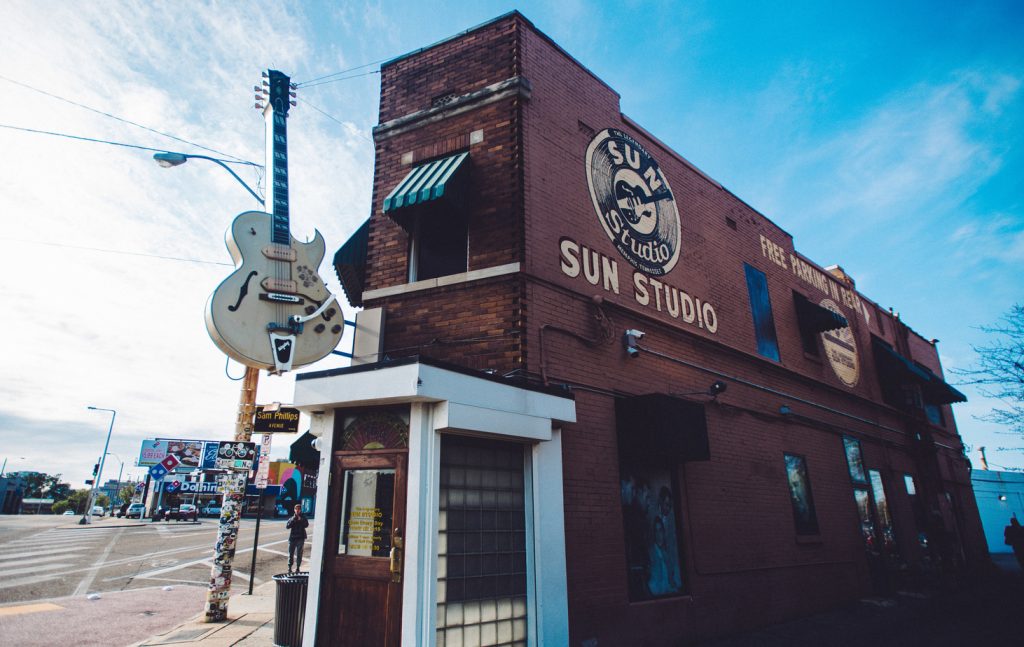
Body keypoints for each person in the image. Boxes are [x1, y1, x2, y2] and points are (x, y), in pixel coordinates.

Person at [286, 503, 309, 572]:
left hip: (300, 537)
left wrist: (300, 519)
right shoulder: (292, 518)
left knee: (299, 553)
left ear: (300, 510)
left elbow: (306, 525)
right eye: (296, 509)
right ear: (294, 510)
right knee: (291, 553)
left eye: (299, 509)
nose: (297, 511)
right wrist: (293, 519)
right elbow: (287, 526)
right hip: (292, 538)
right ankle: (289, 567)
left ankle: (298, 567)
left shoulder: (303, 517)